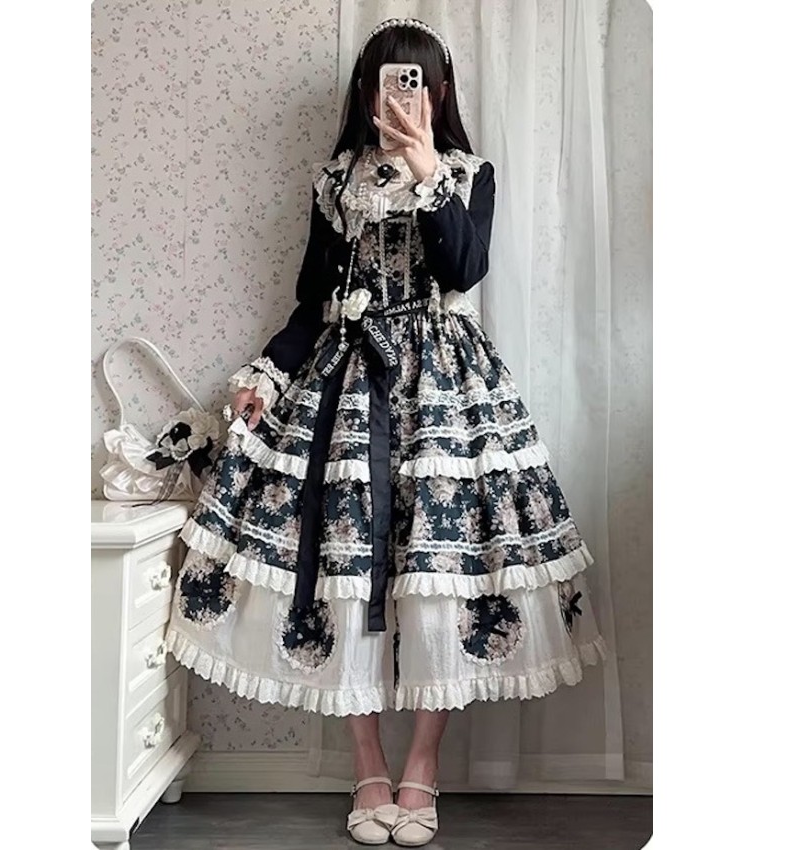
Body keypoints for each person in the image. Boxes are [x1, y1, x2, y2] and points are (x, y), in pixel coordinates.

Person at [164, 16, 608, 848]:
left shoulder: (468, 174)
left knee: (442, 575)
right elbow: (311, 302)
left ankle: (422, 766)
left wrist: (426, 167)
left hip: (445, 390)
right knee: (345, 568)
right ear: (366, 92)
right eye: (387, 81)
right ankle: (367, 764)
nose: (402, 95)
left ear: (439, 92)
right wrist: (266, 375)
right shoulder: (337, 180)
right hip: (346, 385)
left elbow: (465, 268)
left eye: (417, 83)